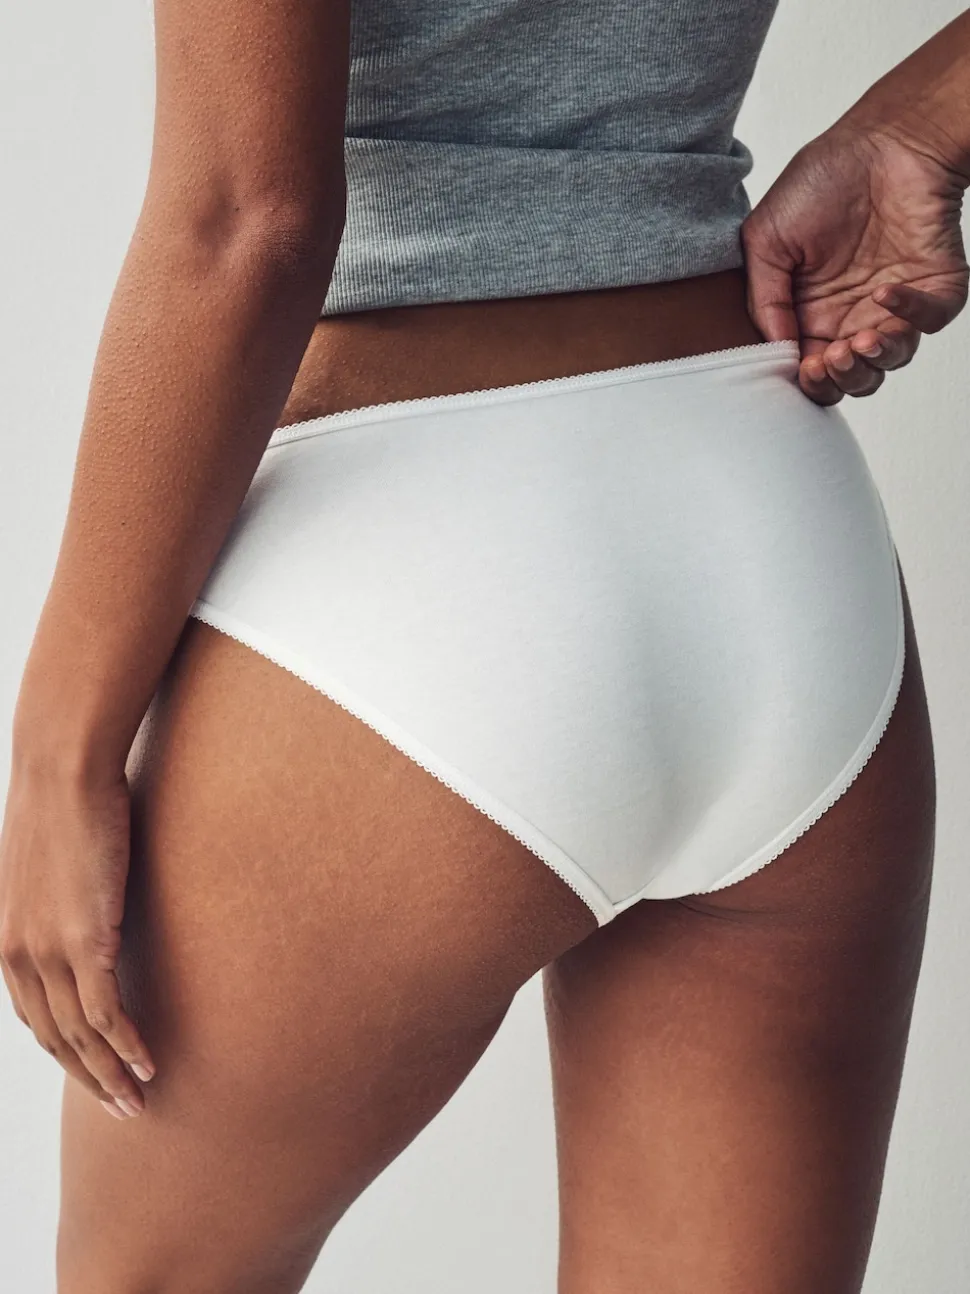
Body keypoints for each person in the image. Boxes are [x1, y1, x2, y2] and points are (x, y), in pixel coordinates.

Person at [0, 0, 966, 1288]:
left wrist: (59, 755)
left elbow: (249, 221)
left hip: (413, 568)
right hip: (778, 532)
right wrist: (923, 122)